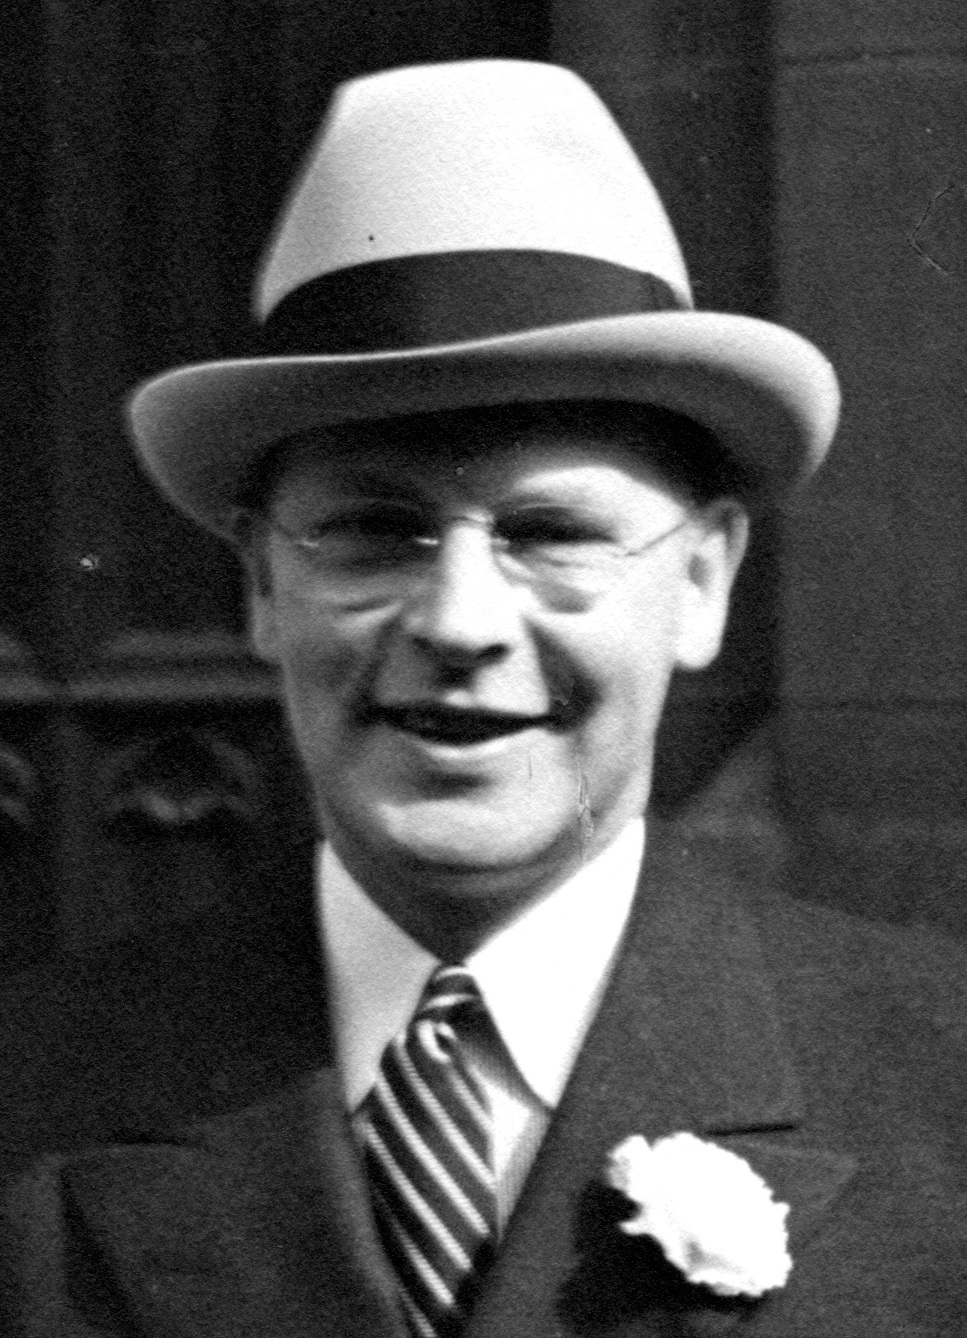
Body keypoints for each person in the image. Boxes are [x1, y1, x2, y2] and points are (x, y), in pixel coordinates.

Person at [2, 58, 966, 1338]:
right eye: (370, 531)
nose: (459, 622)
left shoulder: (939, 1085)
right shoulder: (35, 1094)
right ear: (261, 585)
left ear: (700, 582)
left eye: (551, 534)